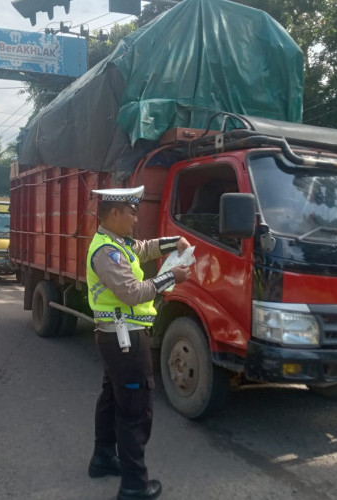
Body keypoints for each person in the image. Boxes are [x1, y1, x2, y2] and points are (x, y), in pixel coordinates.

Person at [86, 185, 191, 500]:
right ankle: (134, 485)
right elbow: (132, 292)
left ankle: (103, 458)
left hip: (118, 338)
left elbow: (143, 248)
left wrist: (175, 242)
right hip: (125, 339)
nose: (136, 218)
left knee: (111, 397)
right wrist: (171, 277)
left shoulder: (117, 242)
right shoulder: (106, 252)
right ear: (115, 213)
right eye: (132, 212)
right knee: (135, 408)